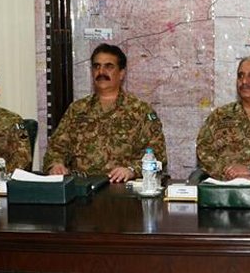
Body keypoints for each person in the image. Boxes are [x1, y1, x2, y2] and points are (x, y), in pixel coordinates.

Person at [43, 43, 167, 182]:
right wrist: (56, 165)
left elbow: (158, 156)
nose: (101, 72)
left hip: (121, 189)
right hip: (81, 188)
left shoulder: (141, 111)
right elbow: (56, 148)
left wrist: (132, 170)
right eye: (97, 66)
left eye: (109, 66)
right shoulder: (77, 109)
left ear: (121, 73)